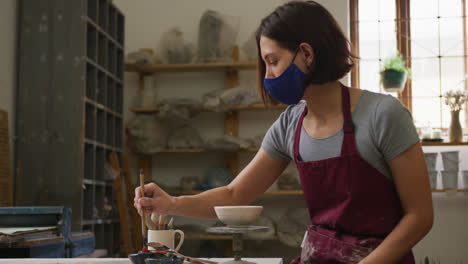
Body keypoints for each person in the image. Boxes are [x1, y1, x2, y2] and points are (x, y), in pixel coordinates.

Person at [134, 1, 433, 263]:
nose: (268, 77)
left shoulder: (384, 115)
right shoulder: (289, 125)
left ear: (306, 54)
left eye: (273, 61)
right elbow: (235, 194)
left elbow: (420, 217)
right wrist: (171, 203)